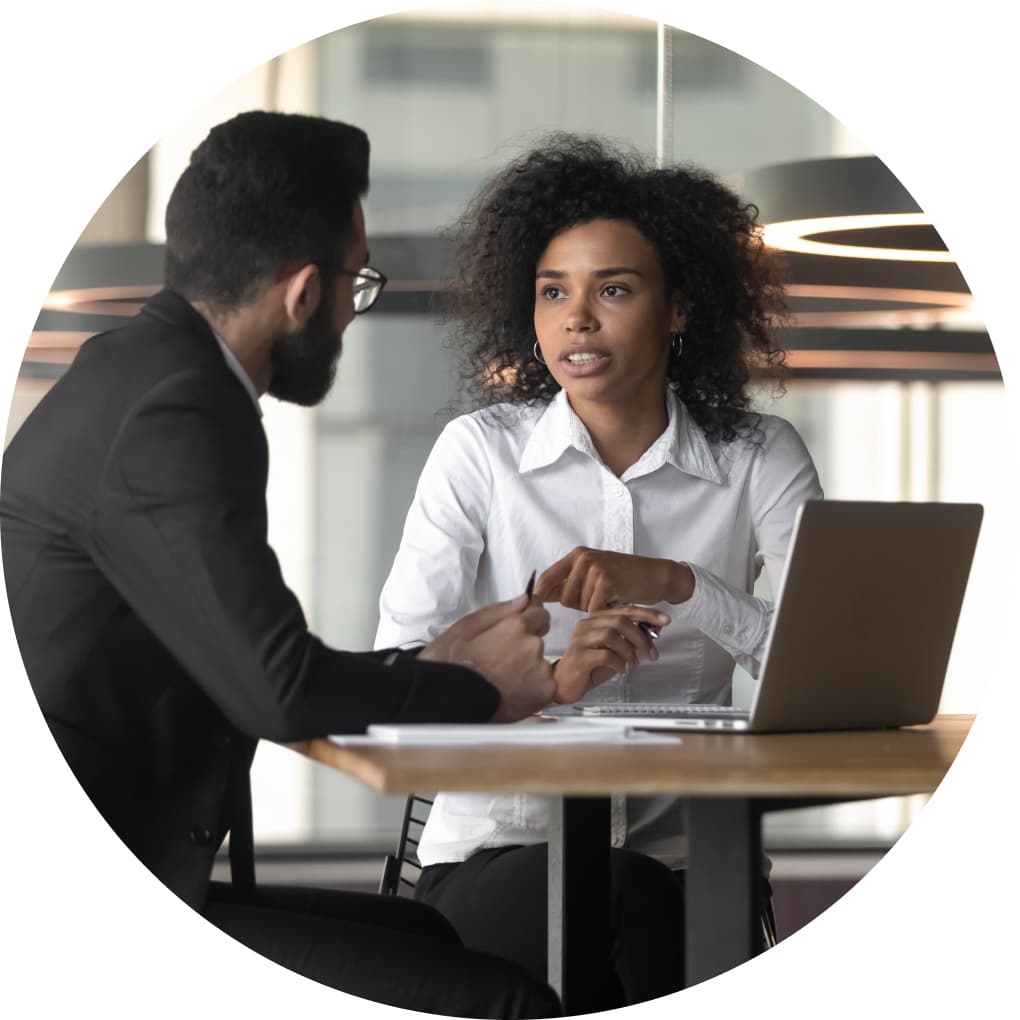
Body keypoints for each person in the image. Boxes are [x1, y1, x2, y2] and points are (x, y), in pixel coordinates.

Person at [0, 111, 561, 1019]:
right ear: (304, 292)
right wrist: (479, 688)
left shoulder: (132, 369)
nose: (350, 309)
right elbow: (279, 690)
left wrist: (435, 665)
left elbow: (252, 663)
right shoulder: (178, 409)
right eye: (356, 284)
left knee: (426, 942)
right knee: (507, 1000)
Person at [375, 134, 823, 1007]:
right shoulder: (479, 455)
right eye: (553, 292)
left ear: (681, 308)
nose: (576, 319)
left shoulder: (760, 457)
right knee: (630, 898)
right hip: (499, 852)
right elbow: (402, 664)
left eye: (613, 289)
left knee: (651, 894)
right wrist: (544, 682)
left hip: (699, 857)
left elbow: (822, 670)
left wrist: (682, 585)